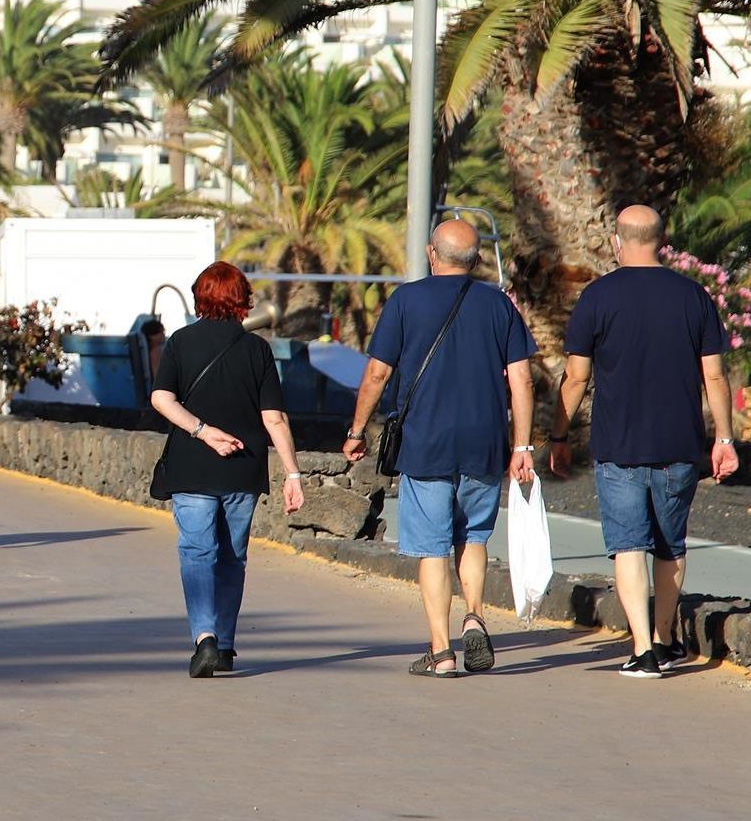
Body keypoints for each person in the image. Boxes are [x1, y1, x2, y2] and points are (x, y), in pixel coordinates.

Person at [549, 205, 740, 678]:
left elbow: (575, 378)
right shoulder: (694, 297)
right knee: (670, 544)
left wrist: (557, 434)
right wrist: (725, 438)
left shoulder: (597, 297)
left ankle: (642, 650)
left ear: (617, 241)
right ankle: (666, 637)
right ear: (662, 240)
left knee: (629, 544)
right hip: (679, 443)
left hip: (619, 444)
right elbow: (715, 377)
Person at [343, 220, 536, 677]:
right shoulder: (498, 305)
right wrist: (522, 444)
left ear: (433, 253)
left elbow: (376, 374)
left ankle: (441, 651)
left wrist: (357, 430)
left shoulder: (406, 301)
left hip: (425, 442)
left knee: (432, 548)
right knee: (472, 537)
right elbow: (522, 379)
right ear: (476, 261)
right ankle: (475, 615)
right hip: (484, 441)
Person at [149, 261, 305, 677]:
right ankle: (227, 644)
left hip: (192, 466)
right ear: (243, 302)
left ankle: (205, 638)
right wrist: (292, 474)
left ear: (200, 297)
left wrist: (202, 432)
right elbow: (275, 418)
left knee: (198, 552)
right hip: (243, 469)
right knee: (232, 557)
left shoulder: (180, 342)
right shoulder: (257, 349)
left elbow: (161, 400)